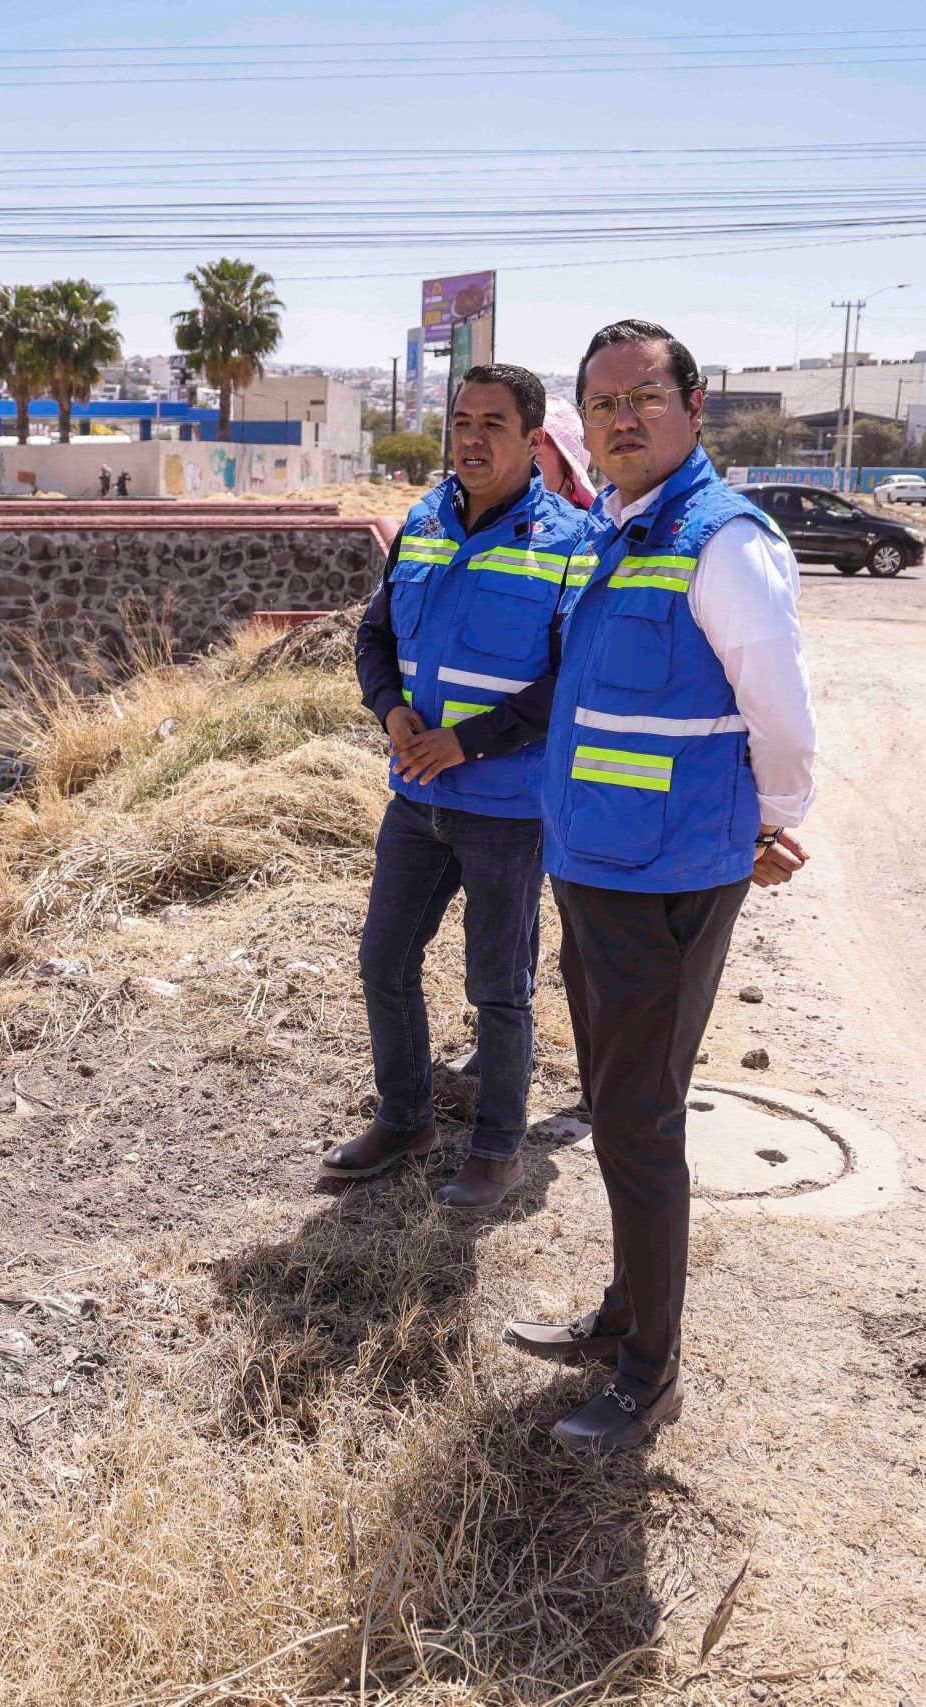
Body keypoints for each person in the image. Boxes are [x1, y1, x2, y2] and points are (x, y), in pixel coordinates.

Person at [498, 319, 818, 1455]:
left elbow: (778, 704)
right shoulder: (614, 528)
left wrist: (772, 820)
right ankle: (623, 1315)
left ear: (692, 409)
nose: (620, 419)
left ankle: (648, 1376)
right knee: (612, 1107)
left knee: (639, 1121)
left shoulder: (721, 540)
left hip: (669, 876)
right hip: (592, 865)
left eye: (642, 398)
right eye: (600, 403)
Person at [333, 363, 598, 1208]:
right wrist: (391, 713)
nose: (472, 438)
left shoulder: (569, 543)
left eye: (493, 423)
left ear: (534, 441)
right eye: (461, 421)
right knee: (383, 960)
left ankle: (496, 1147)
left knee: (498, 987)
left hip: (507, 812)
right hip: (416, 799)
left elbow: (570, 681)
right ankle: (406, 1116)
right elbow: (373, 638)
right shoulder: (422, 522)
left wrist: (468, 743)